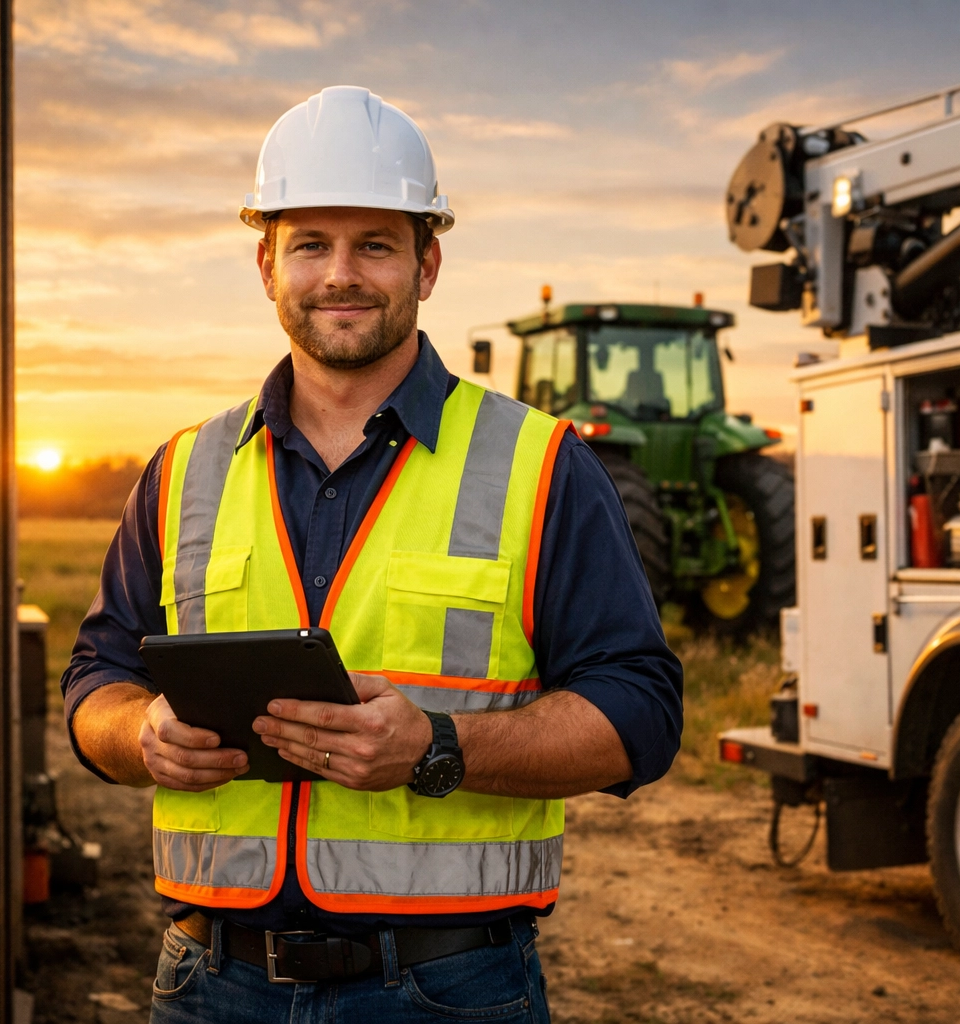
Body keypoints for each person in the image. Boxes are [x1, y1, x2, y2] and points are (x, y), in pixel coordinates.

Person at [63, 85, 683, 1023]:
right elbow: (93, 683)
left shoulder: (543, 464)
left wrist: (439, 747)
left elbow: (640, 711)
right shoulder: (183, 469)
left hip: (447, 988)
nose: (340, 274)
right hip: (208, 983)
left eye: (376, 245)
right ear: (266, 264)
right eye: (310, 243)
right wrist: (139, 733)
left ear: (427, 264)